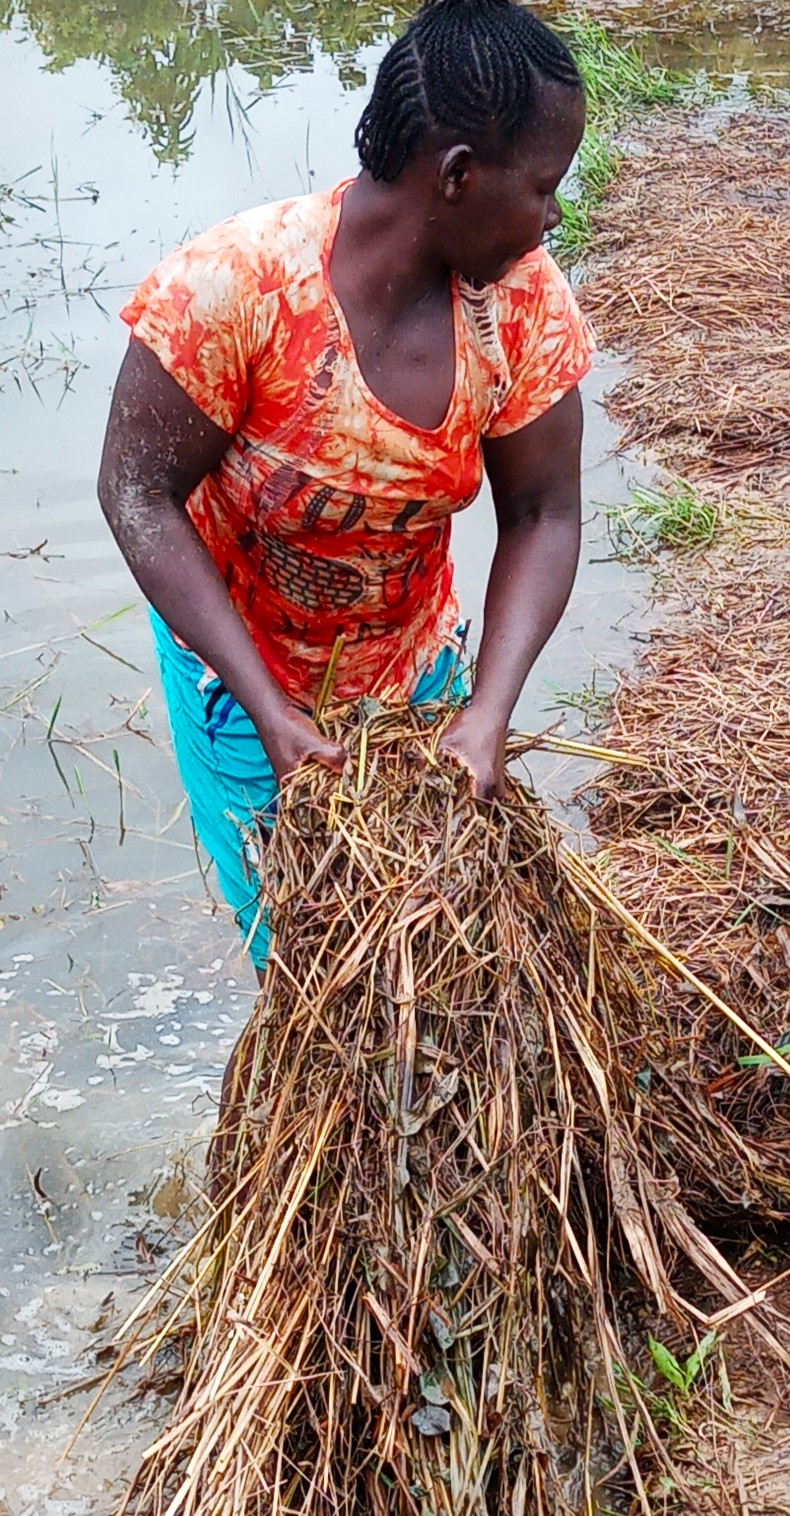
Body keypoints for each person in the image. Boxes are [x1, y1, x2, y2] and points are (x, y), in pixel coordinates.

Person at [98, 0, 593, 985]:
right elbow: (135, 493)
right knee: (309, 963)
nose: (554, 216)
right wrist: (275, 716)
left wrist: (486, 712)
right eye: (541, 187)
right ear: (455, 176)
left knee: (450, 949)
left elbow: (544, 513)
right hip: (243, 679)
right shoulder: (236, 290)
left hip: (415, 663)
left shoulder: (521, 303)